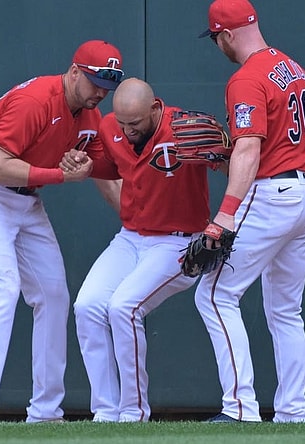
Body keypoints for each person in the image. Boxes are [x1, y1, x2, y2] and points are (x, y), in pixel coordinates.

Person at [0, 40, 124, 423]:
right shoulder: (37, 101)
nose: (99, 92)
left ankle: (45, 411)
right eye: (94, 82)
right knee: (1, 291)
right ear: (75, 71)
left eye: (106, 85)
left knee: (54, 295)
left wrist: (137, 215)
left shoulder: (89, 117)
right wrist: (61, 175)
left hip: (25, 200)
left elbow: (100, 172)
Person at [195, 0, 305, 423]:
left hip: (272, 196)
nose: (217, 45)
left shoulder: (246, 78)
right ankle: (293, 413)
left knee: (214, 295)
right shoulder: (292, 67)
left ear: (227, 35)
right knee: (287, 310)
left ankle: (239, 409)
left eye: (216, 37)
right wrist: (234, 156)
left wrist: (224, 216)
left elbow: (251, 148)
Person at [64, 78, 213, 422]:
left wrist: (223, 154)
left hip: (177, 240)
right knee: (87, 307)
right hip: (131, 237)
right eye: (122, 123)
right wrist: (84, 166)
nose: (127, 130)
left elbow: (230, 160)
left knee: (123, 308)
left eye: (135, 123)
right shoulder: (109, 126)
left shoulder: (185, 127)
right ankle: (104, 411)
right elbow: (109, 166)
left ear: (155, 108)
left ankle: (133, 412)